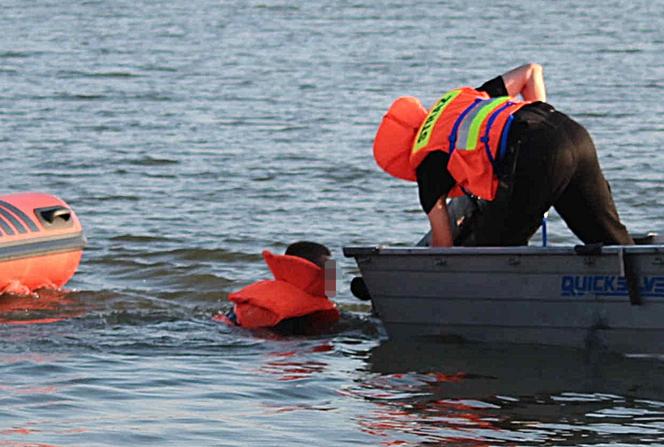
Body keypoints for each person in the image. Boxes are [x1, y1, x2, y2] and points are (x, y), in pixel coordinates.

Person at [373, 63, 633, 247]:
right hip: (569, 129)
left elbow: (443, 249)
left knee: (494, 250)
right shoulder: (459, 101)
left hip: (534, 150)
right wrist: (542, 115)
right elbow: (531, 71)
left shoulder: (426, 163)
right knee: (610, 239)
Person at [215, 241, 340, 335]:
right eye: (328, 267)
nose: (333, 272)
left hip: (230, 328)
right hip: (277, 340)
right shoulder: (304, 311)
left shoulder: (264, 291)